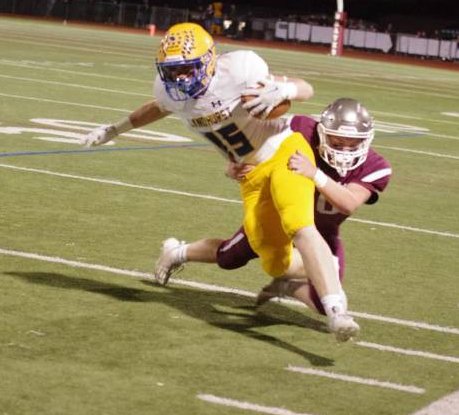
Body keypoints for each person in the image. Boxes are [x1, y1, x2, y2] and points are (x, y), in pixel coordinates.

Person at [80, 23, 359, 342]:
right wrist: (115, 129)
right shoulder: (168, 91)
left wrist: (284, 90)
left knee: (300, 224)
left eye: (187, 69)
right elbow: (157, 108)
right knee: (273, 260)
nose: (181, 78)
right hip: (249, 174)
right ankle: (308, 275)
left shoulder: (239, 69)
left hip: (284, 151)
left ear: (209, 61)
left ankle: (337, 311)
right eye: (173, 71)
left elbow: (305, 88)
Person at [155, 99, 391, 320]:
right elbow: (252, 140)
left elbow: (348, 202)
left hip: (322, 233)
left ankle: (288, 285)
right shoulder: (301, 129)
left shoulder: (375, 166)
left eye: (354, 145)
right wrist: (232, 167)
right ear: (322, 131)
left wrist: (315, 173)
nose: (345, 151)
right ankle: (176, 252)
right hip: (277, 216)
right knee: (229, 257)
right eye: (338, 142)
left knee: (325, 304)